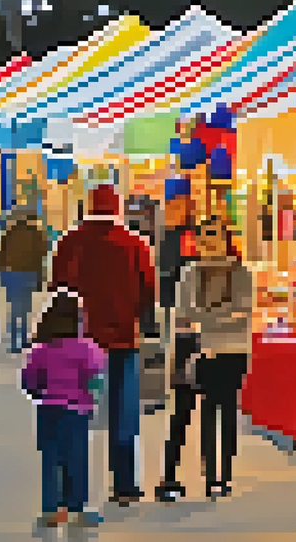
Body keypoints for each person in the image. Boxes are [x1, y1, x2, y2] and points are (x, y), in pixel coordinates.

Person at [50, 185, 157, 505]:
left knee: (75, 412)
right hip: (124, 339)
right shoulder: (135, 244)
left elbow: (58, 289)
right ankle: (124, 486)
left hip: (79, 342)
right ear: (117, 208)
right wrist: (137, 319)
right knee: (123, 414)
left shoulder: (70, 244)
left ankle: (72, 489)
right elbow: (149, 289)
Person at [159, 217, 252, 501]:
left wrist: (204, 319)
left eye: (215, 235)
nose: (209, 241)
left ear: (226, 240)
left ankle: (220, 476)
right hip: (191, 348)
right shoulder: (189, 272)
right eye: (204, 236)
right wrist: (216, 318)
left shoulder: (240, 272)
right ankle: (172, 476)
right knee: (184, 414)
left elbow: (242, 311)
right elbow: (184, 312)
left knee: (223, 412)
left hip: (230, 351)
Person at [21, 290, 106, 531]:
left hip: (47, 410)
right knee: (76, 460)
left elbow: (28, 380)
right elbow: (95, 379)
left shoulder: (41, 348)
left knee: (50, 460)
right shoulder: (87, 348)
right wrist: (93, 400)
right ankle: (76, 508)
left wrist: (39, 393)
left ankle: (50, 510)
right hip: (75, 412)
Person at [0, 206, 47, 354]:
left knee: (13, 308)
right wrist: (40, 278)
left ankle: (14, 342)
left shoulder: (10, 232)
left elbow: (1, 253)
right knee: (25, 308)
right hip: (28, 273)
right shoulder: (37, 234)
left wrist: (0, 274)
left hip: (11, 273)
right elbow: (41, 256)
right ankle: (23, 340)